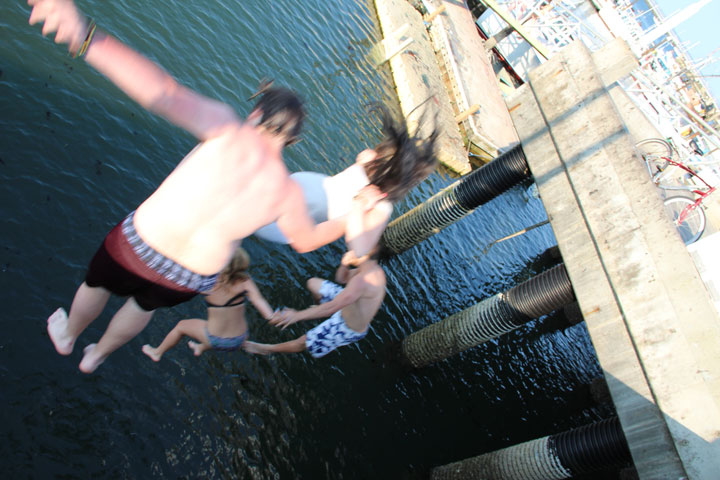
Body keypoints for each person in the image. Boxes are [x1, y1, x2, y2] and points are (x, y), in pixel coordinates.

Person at [30, 0, 353, 373]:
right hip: (191, 276)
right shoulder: (288, 192)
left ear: (257, 113)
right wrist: (349, 219)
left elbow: (162, 91)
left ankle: (69, 335)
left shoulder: (228, 127)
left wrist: (84, 35)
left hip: (141, 243)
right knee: (142, 306)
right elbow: (305, 240)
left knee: (98, 285)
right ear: (292, 142)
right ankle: (97, 356)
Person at [253, 105, 438, 258]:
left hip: (286, 219)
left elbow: (360, 249)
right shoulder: (372, 160)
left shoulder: (381, 204)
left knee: (247, 213)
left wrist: (358, 206)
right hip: (288, 191)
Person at [244, 249, 386, 358]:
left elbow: (332, 307)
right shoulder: (367, 269)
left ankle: (266, 349)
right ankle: (319, 309)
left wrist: (297, 315)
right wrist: (345, 263)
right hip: (345, 303)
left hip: (346, 326)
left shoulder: (365, 280)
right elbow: (341, 279)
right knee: (313, 284)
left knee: (303, 342)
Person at [142, 247, 271, 361]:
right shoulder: (245, 281)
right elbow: (259, 300)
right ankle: (200, 347)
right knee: (215, 328)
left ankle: (157, 352)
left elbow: (179, 286)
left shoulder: (209, 284)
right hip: (241, 338)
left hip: (216, 340)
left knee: (181, 326)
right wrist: (271, 315)